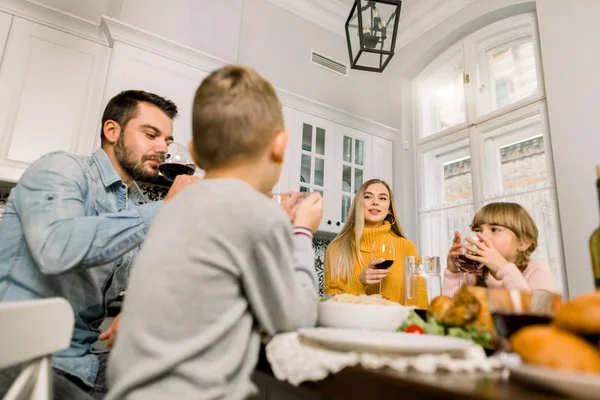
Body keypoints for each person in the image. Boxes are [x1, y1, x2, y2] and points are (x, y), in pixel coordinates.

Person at [106, 65, 323, 400]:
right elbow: (295, 316)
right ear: (280, 145)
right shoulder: (257, 212)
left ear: (193, 153)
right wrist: (302, 231)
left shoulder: (173, 208)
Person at [0, 90, 198, 400]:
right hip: (21, 356)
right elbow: (56, 248)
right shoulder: (61, 169)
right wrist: (164, 210)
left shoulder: (136, 204)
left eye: (168, 141)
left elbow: (155, 274)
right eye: (151, 134)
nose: (163, 148)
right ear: (112, 130)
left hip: (83, 362)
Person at [324, 179, 420, 304]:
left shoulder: (407, 248)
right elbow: (331, 304)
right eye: (368, 197)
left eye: (383, 198)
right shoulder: (336, 248)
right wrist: (359, 283)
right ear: (359, 204)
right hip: (351, 323)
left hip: (395, 323)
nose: (375, 202)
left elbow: (417, 301)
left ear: (389, 208)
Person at [443, 202, 556, 297]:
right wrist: (453, 273)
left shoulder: (536, 270)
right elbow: (451, 316)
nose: (481, 236)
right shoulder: (474, 273)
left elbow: (539, 315)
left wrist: (504, 269)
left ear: (523, 243)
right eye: (478, 230)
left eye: (494, 229)